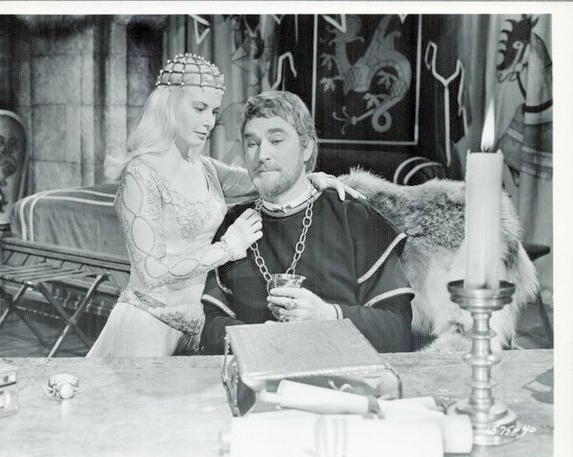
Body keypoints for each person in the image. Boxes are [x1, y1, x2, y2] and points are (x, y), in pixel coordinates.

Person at [87, 54, 356, 357]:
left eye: (214, 111)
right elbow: (151, 271)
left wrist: (311, 176)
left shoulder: (206, 168)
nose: (209, 122)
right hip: (148, 327)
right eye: (199, 108)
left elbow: (265, 175)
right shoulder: (141, 173)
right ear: (169, 105)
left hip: (198, 329)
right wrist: (228, 247)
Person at [201, 90, 415, 354]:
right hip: (255, 370)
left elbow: (397, 329)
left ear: (306, 148)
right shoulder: (235, 224)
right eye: (252, 143)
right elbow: (211, 327)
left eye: (276, 140)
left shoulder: (353, 217)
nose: (262, 155)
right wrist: (257, 339)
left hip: (339, 373)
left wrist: (328, 316)